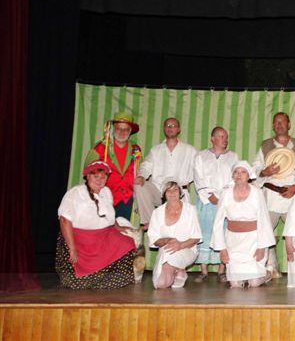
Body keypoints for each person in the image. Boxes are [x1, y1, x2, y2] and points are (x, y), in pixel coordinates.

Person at [55, 160, 137, 289]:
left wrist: (117, 227)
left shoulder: (106, 192)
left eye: (103, 177)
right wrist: (72, 248)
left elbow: (109, 213)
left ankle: (107, 281)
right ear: (88, 176)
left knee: (127, 243)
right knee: (76, 283)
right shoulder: (76, 193)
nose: (99, 180)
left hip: (103, 236)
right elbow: (65, 220)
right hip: (80, 239)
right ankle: (88, 281)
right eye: (95, 176)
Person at [253, 112, 295, 278]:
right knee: (264, 233)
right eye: (276, 122)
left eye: (282, 122)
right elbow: (255, 168)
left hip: (292, 196)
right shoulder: (266, 145)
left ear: (289, 124)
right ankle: (269, 268)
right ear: (273, 125)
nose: (279, 125)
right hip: (271, 196)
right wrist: (264, 171)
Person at [211, 161, 276, 288]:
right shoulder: (225, 194)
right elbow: (218, 222)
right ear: (232, 175)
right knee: (235, 285)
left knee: (254, 283)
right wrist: (222, 249)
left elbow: (264, 220)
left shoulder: (257, 193)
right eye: (236, 172)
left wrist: (261, 247)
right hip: (233, 242)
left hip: (254, 241)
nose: (239, 175)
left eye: (243, 172)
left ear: (249, 176)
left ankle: (267, 274)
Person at [193, 126, 239, 282]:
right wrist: (209, 195)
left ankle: (221, 270)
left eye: (226, 137)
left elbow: (235, 178)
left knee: (223, 234)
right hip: (205, 201)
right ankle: (204, 270)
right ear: (213, 138)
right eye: (221, 136)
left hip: (225, 200)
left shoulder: (233, 157)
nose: (225, 139)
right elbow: (198, 177)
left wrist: (221, 196)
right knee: (205, 233)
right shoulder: (201, 156)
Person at [134, 117, 198, 227]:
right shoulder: (156, 150)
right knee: (139, 185)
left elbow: (200, 168)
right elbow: (146, 166)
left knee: (177, 229)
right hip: (159, 192)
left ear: (179, 129)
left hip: (179, 194)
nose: (170, 128)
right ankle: (150, 222)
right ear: (164, 129)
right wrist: (141, 176)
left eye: (173, 126)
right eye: (167, 126)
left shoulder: (190, 150)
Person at [86, 111, 142, 221]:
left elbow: (141, 170)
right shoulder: (100, 147)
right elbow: (87, 171)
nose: (122, 132)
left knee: (123, 229)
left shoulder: (136, 150)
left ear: (130, 131)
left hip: (127, 199)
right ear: (113, 129)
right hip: (104, 197)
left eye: (126, 129)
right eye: (119, 128)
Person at [147, 181, 202, 289]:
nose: (172, 193)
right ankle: (178, 271)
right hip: (166, 250)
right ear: (164, 194)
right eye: (168, 190)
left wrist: (180, 245)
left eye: (175, 190)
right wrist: (167, 240)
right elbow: (154, 240)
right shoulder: (157, 212)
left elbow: (196, 237)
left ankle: (180, 270)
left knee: (170, 257)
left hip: (187, 249)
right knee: (160, 284)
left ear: (180, 193)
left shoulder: (190, 209)